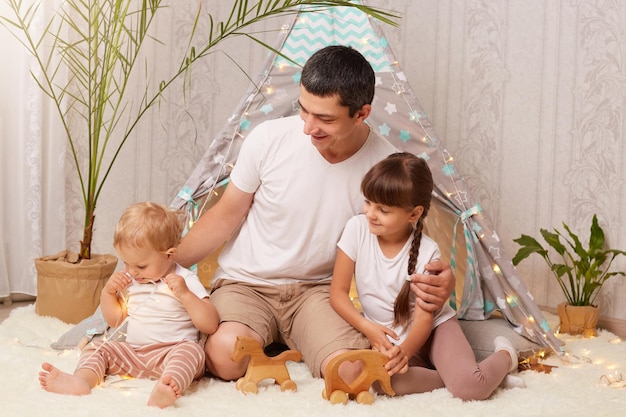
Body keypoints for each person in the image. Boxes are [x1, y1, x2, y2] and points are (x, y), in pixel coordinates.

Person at [175, 45, 456, 382]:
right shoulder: (267, 139)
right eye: (303, 110)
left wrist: (442, 280)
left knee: (351, 372)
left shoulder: (385, 166)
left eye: (324, 118)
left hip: (318, 292)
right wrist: (167, 264)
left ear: (361, 114)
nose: (308, 127)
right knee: (224, 358)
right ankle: (270, 340)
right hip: (246, 284)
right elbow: (226, 214)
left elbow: (400, 239)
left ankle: (294, 343)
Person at [330, 152, 524, 400]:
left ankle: (504, 358)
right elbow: (337, 293)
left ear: (413, 214)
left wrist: (404, 352)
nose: (370, 213)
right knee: (378, 380)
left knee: (471, 389)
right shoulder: (356, 229)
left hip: (433, 330)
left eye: (383, 210)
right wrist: (369, 329)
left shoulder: (427, 252)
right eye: (368, 202)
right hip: (388, 336)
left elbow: (423, 322)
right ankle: (467, 376)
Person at [39, 202, 220, 408]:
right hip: (133, 353)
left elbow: (210, 324)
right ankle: (82, 380)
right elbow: (116, 320)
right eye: (126, 263)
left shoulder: (185, 280)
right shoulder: (133, 281)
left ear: (169, 255)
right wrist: (108, 293)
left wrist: (186, 295)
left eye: (141, 266)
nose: (132, 271)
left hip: (170, 353)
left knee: (192, 352)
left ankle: (167, 386)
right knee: (98, 347)